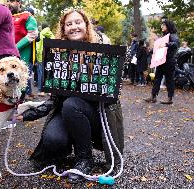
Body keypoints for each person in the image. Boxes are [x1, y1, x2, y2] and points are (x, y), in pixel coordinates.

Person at [16, 8, 124, 183]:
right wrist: (27, 114)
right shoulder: (58, 54)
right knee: (52, 139)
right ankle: (70, 145)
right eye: (69, 24)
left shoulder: (102, 47)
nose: (74, 27)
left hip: (97, 118)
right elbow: (54, 100)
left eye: (78, 22)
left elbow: (113, 94)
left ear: (86, 25)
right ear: (64, 29)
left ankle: (84, 159)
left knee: (72, 104)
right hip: (68, 112)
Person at [7, 0, 38, 100]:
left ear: (19, 3)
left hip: (23, 59)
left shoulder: (27, 16)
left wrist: (15, 47)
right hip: (7, 58)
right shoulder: (6, 17)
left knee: (21, 87)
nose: (9, 4)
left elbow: (33, 34)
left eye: (11, 1)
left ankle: (19, 110)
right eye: (7, 1)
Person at [144, 20, 179, 104]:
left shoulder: (173, 35)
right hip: (161, 61)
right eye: (162, 25)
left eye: (164, 25)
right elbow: (159, 47)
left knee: (169, 80)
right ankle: (153, 96)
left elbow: (175, 44)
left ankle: (170, 99)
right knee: (157, 79)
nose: (162, 27)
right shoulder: (163, 37)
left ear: (168, 26)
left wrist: (167, 44)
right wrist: (151, 50)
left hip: (169, 61)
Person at [36, 23, 54, 96]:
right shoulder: (52, 35)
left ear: (42, 28)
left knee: (41, 73)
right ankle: (49, 90)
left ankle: (41, 91)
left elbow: (38, 47)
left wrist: (37, 57)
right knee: (49, 73)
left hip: (41, 57)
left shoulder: (40, 34)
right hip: (50, 57)